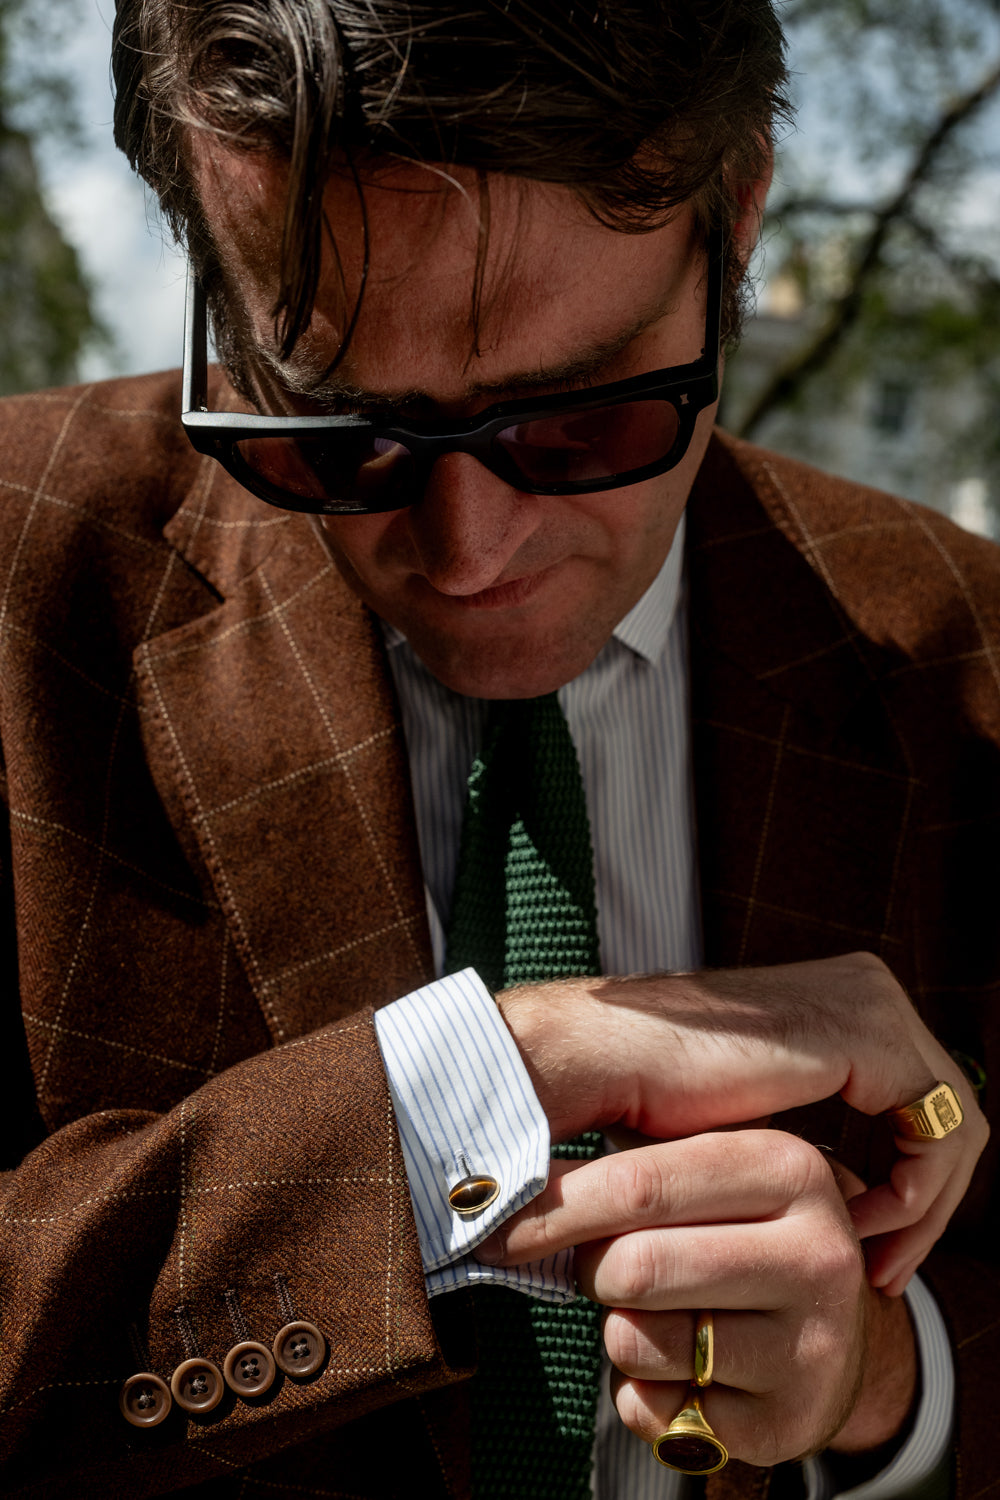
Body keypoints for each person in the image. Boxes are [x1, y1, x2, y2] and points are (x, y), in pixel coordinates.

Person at [0, 2, 995, 1496]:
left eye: (583, 423)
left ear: (738, 219)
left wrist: (888, 1372)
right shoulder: (19, 578)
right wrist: (480, 1087)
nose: (471, 552)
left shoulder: (973, 662)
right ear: (206, 250)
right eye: (335, 427)